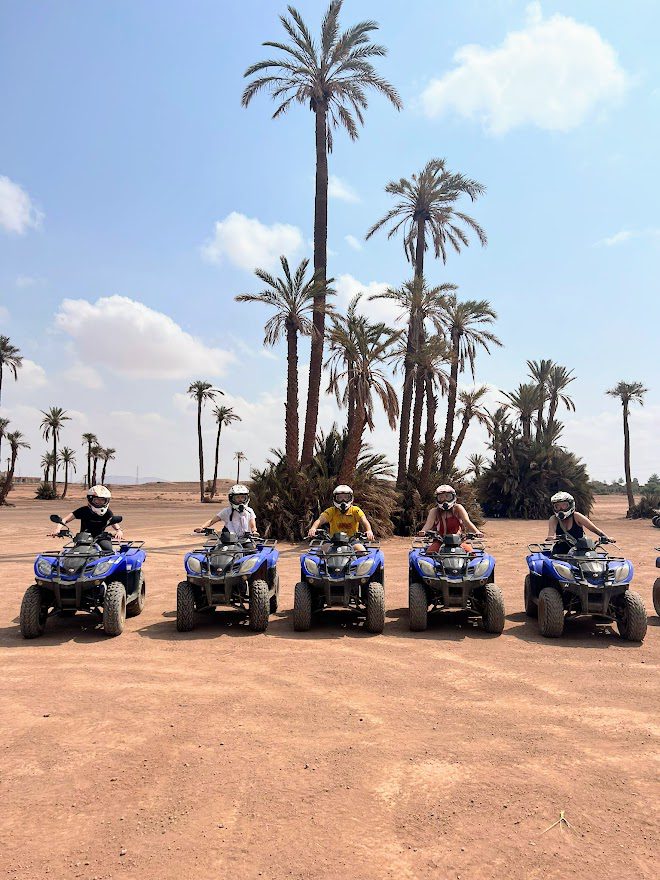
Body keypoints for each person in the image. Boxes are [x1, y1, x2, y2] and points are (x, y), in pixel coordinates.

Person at [50, 485, 123, 552]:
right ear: (91, 499)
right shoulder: (84, 510)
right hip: (83, 538)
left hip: (101, 538)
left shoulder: (107, 512)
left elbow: (112, 521)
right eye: (97, 500)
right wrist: (57, 529)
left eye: (102, 500)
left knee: (108, 551)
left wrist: (119, 531)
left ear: (106, 501)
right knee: (75, 555)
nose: (100, 502)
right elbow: (65, 520)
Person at [418, 484, 483, 553]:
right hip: (440, 540)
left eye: (448, 497)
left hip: (458, 541)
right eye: (441, 497)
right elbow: (428, 524)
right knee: (429, 553)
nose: (444, 500)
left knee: (471, 554)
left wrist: (477, 532)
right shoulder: (434, 511)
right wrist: (423, 531)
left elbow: (467, 521)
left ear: (453, 497)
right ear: (437, 499)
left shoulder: (458, 508)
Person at [307, 485, 374, 550]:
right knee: (323, 550)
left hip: (352, 540)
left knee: (361, 550)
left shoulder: (355, 510)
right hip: (333, 540)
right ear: (335, 499)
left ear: (351, 498)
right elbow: (320, 520)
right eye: (340, 498)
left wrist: (369, 531)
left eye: (346, 498)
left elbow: (364, 520)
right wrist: (313, 528)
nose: (343, 501)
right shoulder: (331, 511)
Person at [546, 491, 610, 554]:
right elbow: (550, 536)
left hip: (580, 550)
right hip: (560, 552)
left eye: (564, 505)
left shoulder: (577, 516)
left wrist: (607, 538)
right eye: (557, 506)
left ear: (571, 505)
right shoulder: (554, 519)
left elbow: (594, 529)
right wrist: (553, 538)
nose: (561, 509)